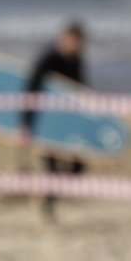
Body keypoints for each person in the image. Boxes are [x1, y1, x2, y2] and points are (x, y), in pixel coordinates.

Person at [20, 21, 88, 228]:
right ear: (64, 38)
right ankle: (46, 210)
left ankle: (45, 197)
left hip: (67, 122)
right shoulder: (48, 58)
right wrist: (25, 126)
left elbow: (81, 89)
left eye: (79, 43)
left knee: (78, 167)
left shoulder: (77, 60)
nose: (76, 46)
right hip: (45, 123)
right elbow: (30, 91)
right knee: (52, 169)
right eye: (73, 41)